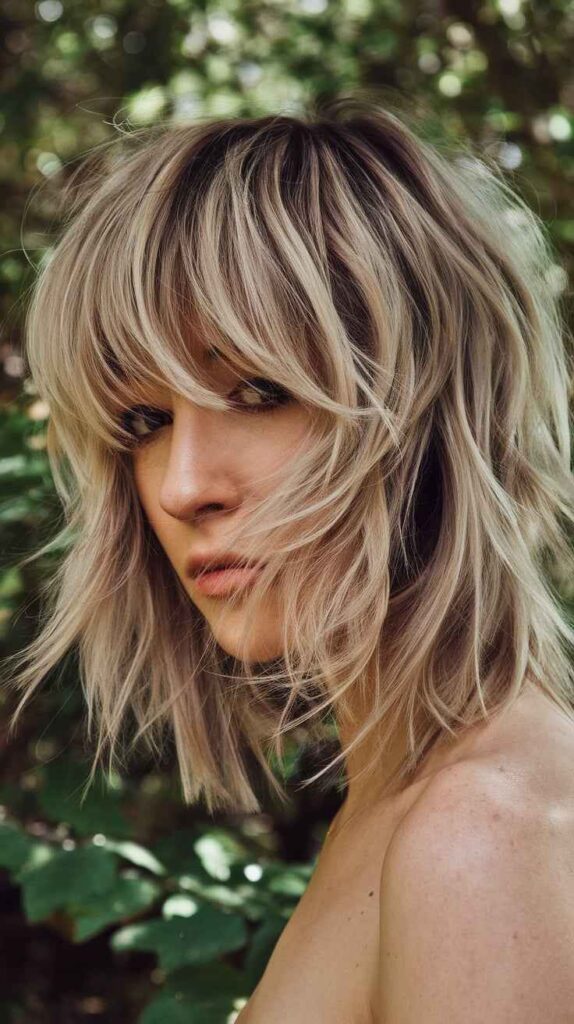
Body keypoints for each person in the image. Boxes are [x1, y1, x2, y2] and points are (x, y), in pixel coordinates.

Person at [4, 92, 574, 1022]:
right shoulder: (403, 801)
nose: (184, 485)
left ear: (428, 407)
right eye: (145, 420)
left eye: (260, 389)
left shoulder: (481, 833)